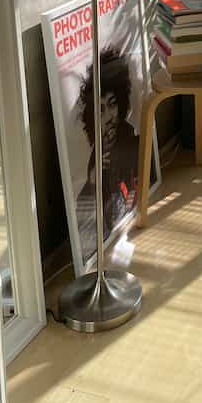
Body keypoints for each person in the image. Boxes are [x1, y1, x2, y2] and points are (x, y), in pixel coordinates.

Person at [75, 47, 139, 263]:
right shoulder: (97, 156)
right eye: (100, 110)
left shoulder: (131, 139)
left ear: (121, 104)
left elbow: (136, 184)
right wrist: (92, 182)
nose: (109, 116)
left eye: (112, 105)